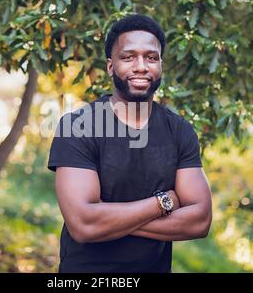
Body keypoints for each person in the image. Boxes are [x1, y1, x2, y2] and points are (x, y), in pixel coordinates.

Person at [47, 14, 212, 273]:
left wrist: (109, 218)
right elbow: (83, 225)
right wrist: (162, 203)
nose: (141, 66)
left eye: (151, 57)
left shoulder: (179, 131)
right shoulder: (78, 126)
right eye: (128, 57)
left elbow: (200, 221)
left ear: (161, 65)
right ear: (111, 66)